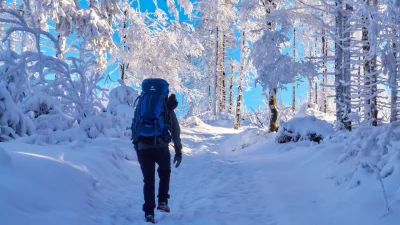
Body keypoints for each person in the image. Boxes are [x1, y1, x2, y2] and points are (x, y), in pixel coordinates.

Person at [133, 92, 183, 223]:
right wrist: (178, 150)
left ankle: (149, 213)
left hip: (143, 146)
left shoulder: (142, 105)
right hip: (161, 146)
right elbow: (175, 130)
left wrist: (137, 145)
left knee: (148, 180)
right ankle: (162, 201)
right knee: (165, 172)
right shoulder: (166, 107)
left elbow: (134, 125)